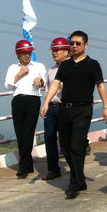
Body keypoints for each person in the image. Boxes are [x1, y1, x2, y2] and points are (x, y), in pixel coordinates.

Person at [41, 30, 107, 199]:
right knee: (65, 147)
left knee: (76, 146)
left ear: (85, 45)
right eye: (72, 43)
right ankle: (80, 179)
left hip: (83, 109)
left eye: (78, 43)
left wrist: (106, 107)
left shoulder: (93, 64)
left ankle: (74, 183)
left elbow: (100, 86)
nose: (74, 46)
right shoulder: (65, 65)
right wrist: (46, 102)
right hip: (65, 109)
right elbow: (55, 84)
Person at [5, 40, 47, 179]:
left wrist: (40, 80)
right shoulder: (12, 68)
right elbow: (8, 85)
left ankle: (22, 167)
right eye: (24, 53)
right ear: (18, 54)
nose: (27, 55)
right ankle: (28, 165)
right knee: (20, 133)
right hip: (18, 100)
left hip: (33, 100)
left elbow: (46, 84)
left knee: (28, 132)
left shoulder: (39, 66)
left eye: (29, 52)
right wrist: (19, 74)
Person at [41, 37, 70, 180]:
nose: (54, 53)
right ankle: (53, 169)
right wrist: (45, 104)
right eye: (53, 50)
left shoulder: (72, 68)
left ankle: (75, 167)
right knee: (49, 138)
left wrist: (68, 87)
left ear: (66, 52)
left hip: (66, 108)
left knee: (66, 140)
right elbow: (47, 89)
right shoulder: (51, 70)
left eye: (57, 50)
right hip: (52, 107)